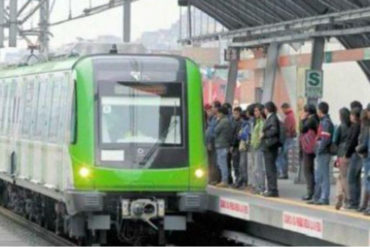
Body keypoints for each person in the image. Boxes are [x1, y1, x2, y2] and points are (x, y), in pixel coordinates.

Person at [309, 102, 334, 205]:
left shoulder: (325, 122)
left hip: (323, 152)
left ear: (320, 110)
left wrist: (319, 150)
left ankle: (324, 197)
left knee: (323, 175)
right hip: (322, 152)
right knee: (319, 175)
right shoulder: (325, 121)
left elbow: (325, 139)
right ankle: (317, 197)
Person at [333, 108, 351, 210]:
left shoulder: (340, 127)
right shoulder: (352, 126)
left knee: (342, 177)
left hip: (341, 154)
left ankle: (341, 196)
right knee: (343, 176)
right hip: (349, 154)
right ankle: (340, 196)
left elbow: (335, 141)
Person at [299, 104, 319, 201]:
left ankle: (310, 192)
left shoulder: (311, 120)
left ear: (307, 112)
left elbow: (302, 129)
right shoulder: (316, 119)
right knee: (311, 169)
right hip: (313, 146)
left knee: (307, 170)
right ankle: (313, 191)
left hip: (309, 148)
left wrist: (302, 120)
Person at [261, 101, 280, 197]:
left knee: (270, 169)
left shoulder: (272, 118)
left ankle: (272, 189)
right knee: (269, 168)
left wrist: (264, 134)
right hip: (268, 146)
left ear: (267, 109)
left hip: (270, 146)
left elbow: (274, 130)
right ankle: (271, 188)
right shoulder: (271, 118)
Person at [345, 107, 362, 209]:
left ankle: (353, 202)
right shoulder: (361, 126)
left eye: (351, 115)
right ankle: (357, 201)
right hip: (358, 154)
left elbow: (352, 141)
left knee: (351, 178)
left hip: (355, 154)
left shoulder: (356, 126)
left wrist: (347, 153)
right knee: (356, 178)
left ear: (355, 116)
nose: (350, 117)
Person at [214, 106, 233, 187]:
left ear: (221, 113)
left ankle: (224, 180)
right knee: (221, 163)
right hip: (222, 145)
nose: (217, 115)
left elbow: (215, 130)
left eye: (218, 113)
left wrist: (217, 121)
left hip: (222, 145)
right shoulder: (226, 121)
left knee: (222, 164)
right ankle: (223, 180)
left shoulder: (223, 122)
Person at [277, 103, 297, 179]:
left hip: (288, 138)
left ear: (286, 108)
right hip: (290, 138)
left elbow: (287, 128)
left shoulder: (289, 117)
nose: (282, 111)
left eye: (282, 109)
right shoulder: (291, 115)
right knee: (284, 156)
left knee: (281, 156)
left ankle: (282, 173)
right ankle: (284, 173)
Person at [250, 104, 266, 194]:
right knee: (255, 168)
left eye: (257, 111)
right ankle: (257, 186)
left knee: (259, 167)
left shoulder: (262, 122)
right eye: (254, 111)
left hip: (259, 146)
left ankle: (261, 186)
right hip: (254, 146)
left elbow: (261, 134)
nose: (255, 112)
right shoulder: (256, 121)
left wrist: (258, 142)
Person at [357, 106, 370, 213]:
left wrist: (359, 149)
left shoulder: (366, 127)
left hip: (367, 157)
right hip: (367, 156)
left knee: (367, 182)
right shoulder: (366, 126)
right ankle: (364, 205)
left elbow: (364, 142)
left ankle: (365, 205)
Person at [206, 101, 221, 185]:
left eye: (213, 107)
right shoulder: (212, 118)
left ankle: (214, 179)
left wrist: (209, 142)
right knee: (210, 162)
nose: (212, 109)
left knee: (214, 162)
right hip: (210, 142)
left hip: (214, 143)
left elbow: (213, 132)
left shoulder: (217, 118)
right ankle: (211, 178)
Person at [235, 110, 250, 189]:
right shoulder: (244, 125)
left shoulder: (247, 125)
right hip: (242, 146)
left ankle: (245, 182)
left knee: (243, 165)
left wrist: (240, 134)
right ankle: (242, 181)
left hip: (244, 147)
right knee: (241, 165)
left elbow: (244, 135)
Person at [231, 107, 243, 187]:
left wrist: (232, 145)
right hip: (235, 145)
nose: (234, 115)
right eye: (234, 113)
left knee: (237, 164)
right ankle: (237, 180)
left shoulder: (239, 123)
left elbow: (236, 135)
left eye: (236, 113)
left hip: (237, 146)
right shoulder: (234, 122)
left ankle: (238, 181)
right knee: (235, 164)